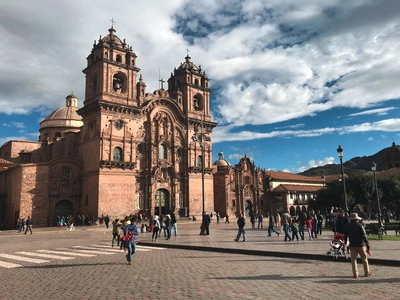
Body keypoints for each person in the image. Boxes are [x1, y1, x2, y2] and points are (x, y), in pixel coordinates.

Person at [344, 213, 372, 279]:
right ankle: (367, 272)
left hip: (352, 245)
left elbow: (345, 235)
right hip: (360, 245)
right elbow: (364, 236)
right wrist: (368, 245)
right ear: (357, 219)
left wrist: (346, 243)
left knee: (353, 260)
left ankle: (355, 274)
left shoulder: (347, 225)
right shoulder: (359, 225)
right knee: (364, 259)